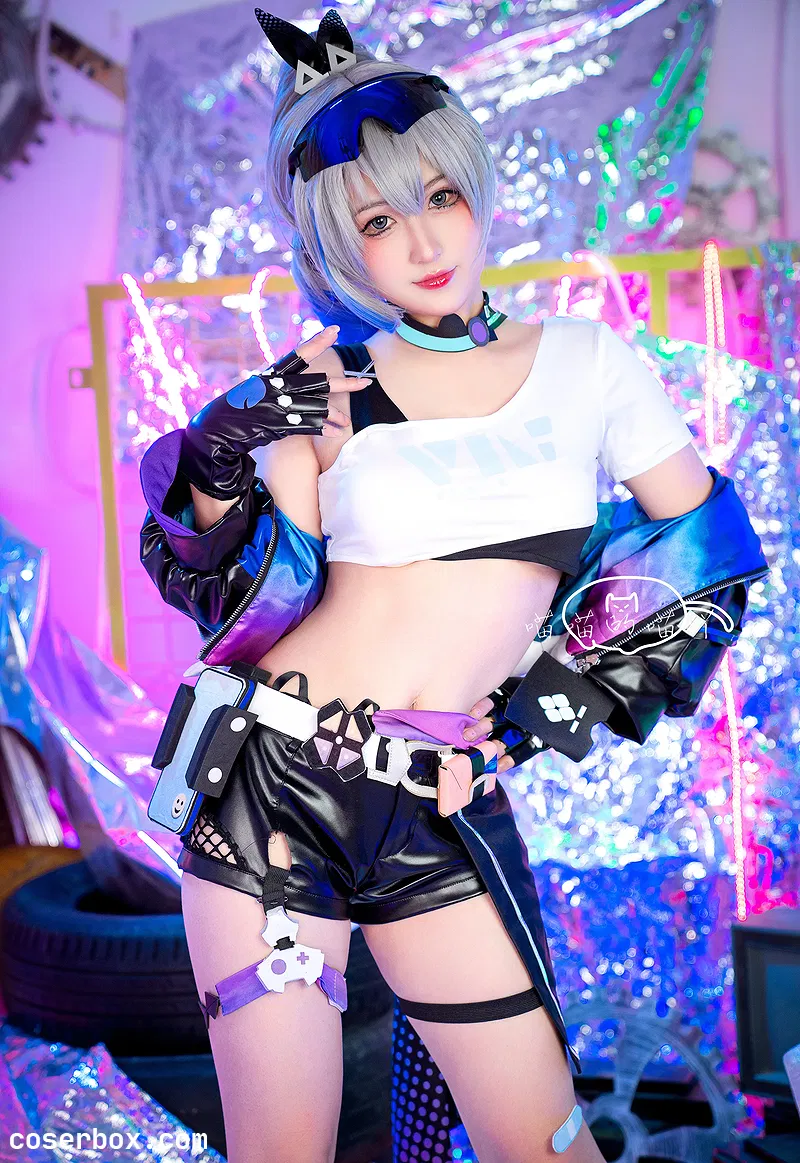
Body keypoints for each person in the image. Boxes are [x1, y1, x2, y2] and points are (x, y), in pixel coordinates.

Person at [139, 9, 768, 1162]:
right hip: (271, 779)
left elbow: (703, 554)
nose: (422, 238)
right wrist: (226, 445)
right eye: (376, 220)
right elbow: (229, 590)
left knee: (547, 1144)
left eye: (437, 195)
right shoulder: (327, 380)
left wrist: (534, 712)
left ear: (475, 188)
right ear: (339, 248)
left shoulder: (587, 363)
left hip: (430, 800)